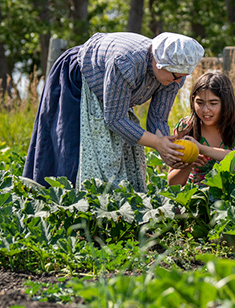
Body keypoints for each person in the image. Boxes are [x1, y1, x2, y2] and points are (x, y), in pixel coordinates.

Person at [23, 31, 204, 192]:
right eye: (175, 76)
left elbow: (157, 118)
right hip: (78, 79)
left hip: (109, 95)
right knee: (72, 150)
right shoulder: (126, 63)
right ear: (159, 63)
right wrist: (157, 142)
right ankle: (62, 204)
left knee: (120, 153)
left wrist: (167, 149)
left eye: (182, 77)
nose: (177, 81)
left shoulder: (174, 76)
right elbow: (115, 119)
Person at [167, 71, 235, 185]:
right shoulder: (185, 128)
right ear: (193, 100)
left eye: (213, 103)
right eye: (200, 102)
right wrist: (188, 164)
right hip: (198, 198)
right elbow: (172, 184)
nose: (205, 110)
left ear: (226, 103)